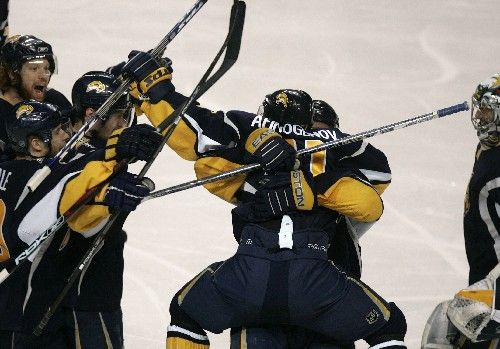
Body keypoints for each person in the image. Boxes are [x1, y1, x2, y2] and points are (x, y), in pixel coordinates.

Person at [118, 51, 407, 348]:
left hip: (251, 278)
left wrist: (156, 92)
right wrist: (309, 181)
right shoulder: (337, 155)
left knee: (187, 311)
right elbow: (372, 197)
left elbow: (200, 149)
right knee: (389, 325)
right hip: (321, 287)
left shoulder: (247, 138)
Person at [0, 100, 159, 348]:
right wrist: (110, 166)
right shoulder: (38, 179)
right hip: (21, 318)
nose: (68, 135)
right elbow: (68, 184)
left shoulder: (8, 170)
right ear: (36, 144)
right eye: (58, 131)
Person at [62, 70, 162, 349]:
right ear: (93, 115)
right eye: (119, 116)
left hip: (100, 283)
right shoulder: (72, 157)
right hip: (82, 291)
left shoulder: (108, 148)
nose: (125, 123)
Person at [421, 74, 500, 348]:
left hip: (495, 284)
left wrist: (495, 299)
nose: (480, 116)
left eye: (488, 110)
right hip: (485, 277)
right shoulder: (490, 149)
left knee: (443, 329)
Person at [0, 34, 71, 154]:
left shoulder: (55, 99)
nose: (43, 76)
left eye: (46, 68)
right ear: (12, 74)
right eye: (34, 69)